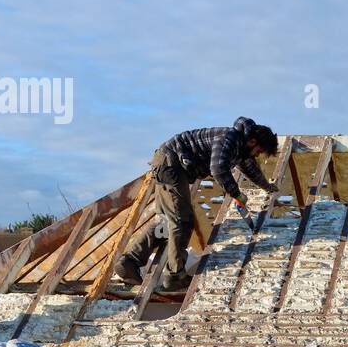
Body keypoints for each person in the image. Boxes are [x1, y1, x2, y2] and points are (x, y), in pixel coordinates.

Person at [117, 117, 279, 292]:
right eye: (259, 150)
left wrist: (268, 187)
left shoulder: (240, 148)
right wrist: (236, 193)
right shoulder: (229, 138)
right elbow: (218, 168)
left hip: (168, 164)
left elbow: (250, 169)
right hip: (171, 166)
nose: (257, 154)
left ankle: (129, 262)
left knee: (165, 221)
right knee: (182, 221)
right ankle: (175, 276)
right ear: (252, 141)